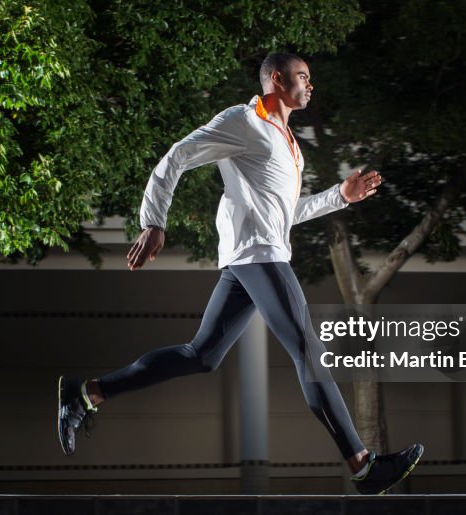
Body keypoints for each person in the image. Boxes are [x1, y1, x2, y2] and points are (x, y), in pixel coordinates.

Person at [58, 53, 423, 495]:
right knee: (308, 351)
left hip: (254, 253)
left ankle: (87, 394)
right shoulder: (243, 121)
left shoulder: (288, 141)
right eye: (302, 77)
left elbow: (284, 214)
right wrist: (153, 221)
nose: (310, 85)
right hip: (259, 255)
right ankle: (364, 466)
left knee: (202, 355)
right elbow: (176, 157)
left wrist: (339, 197)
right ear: (276, 79)